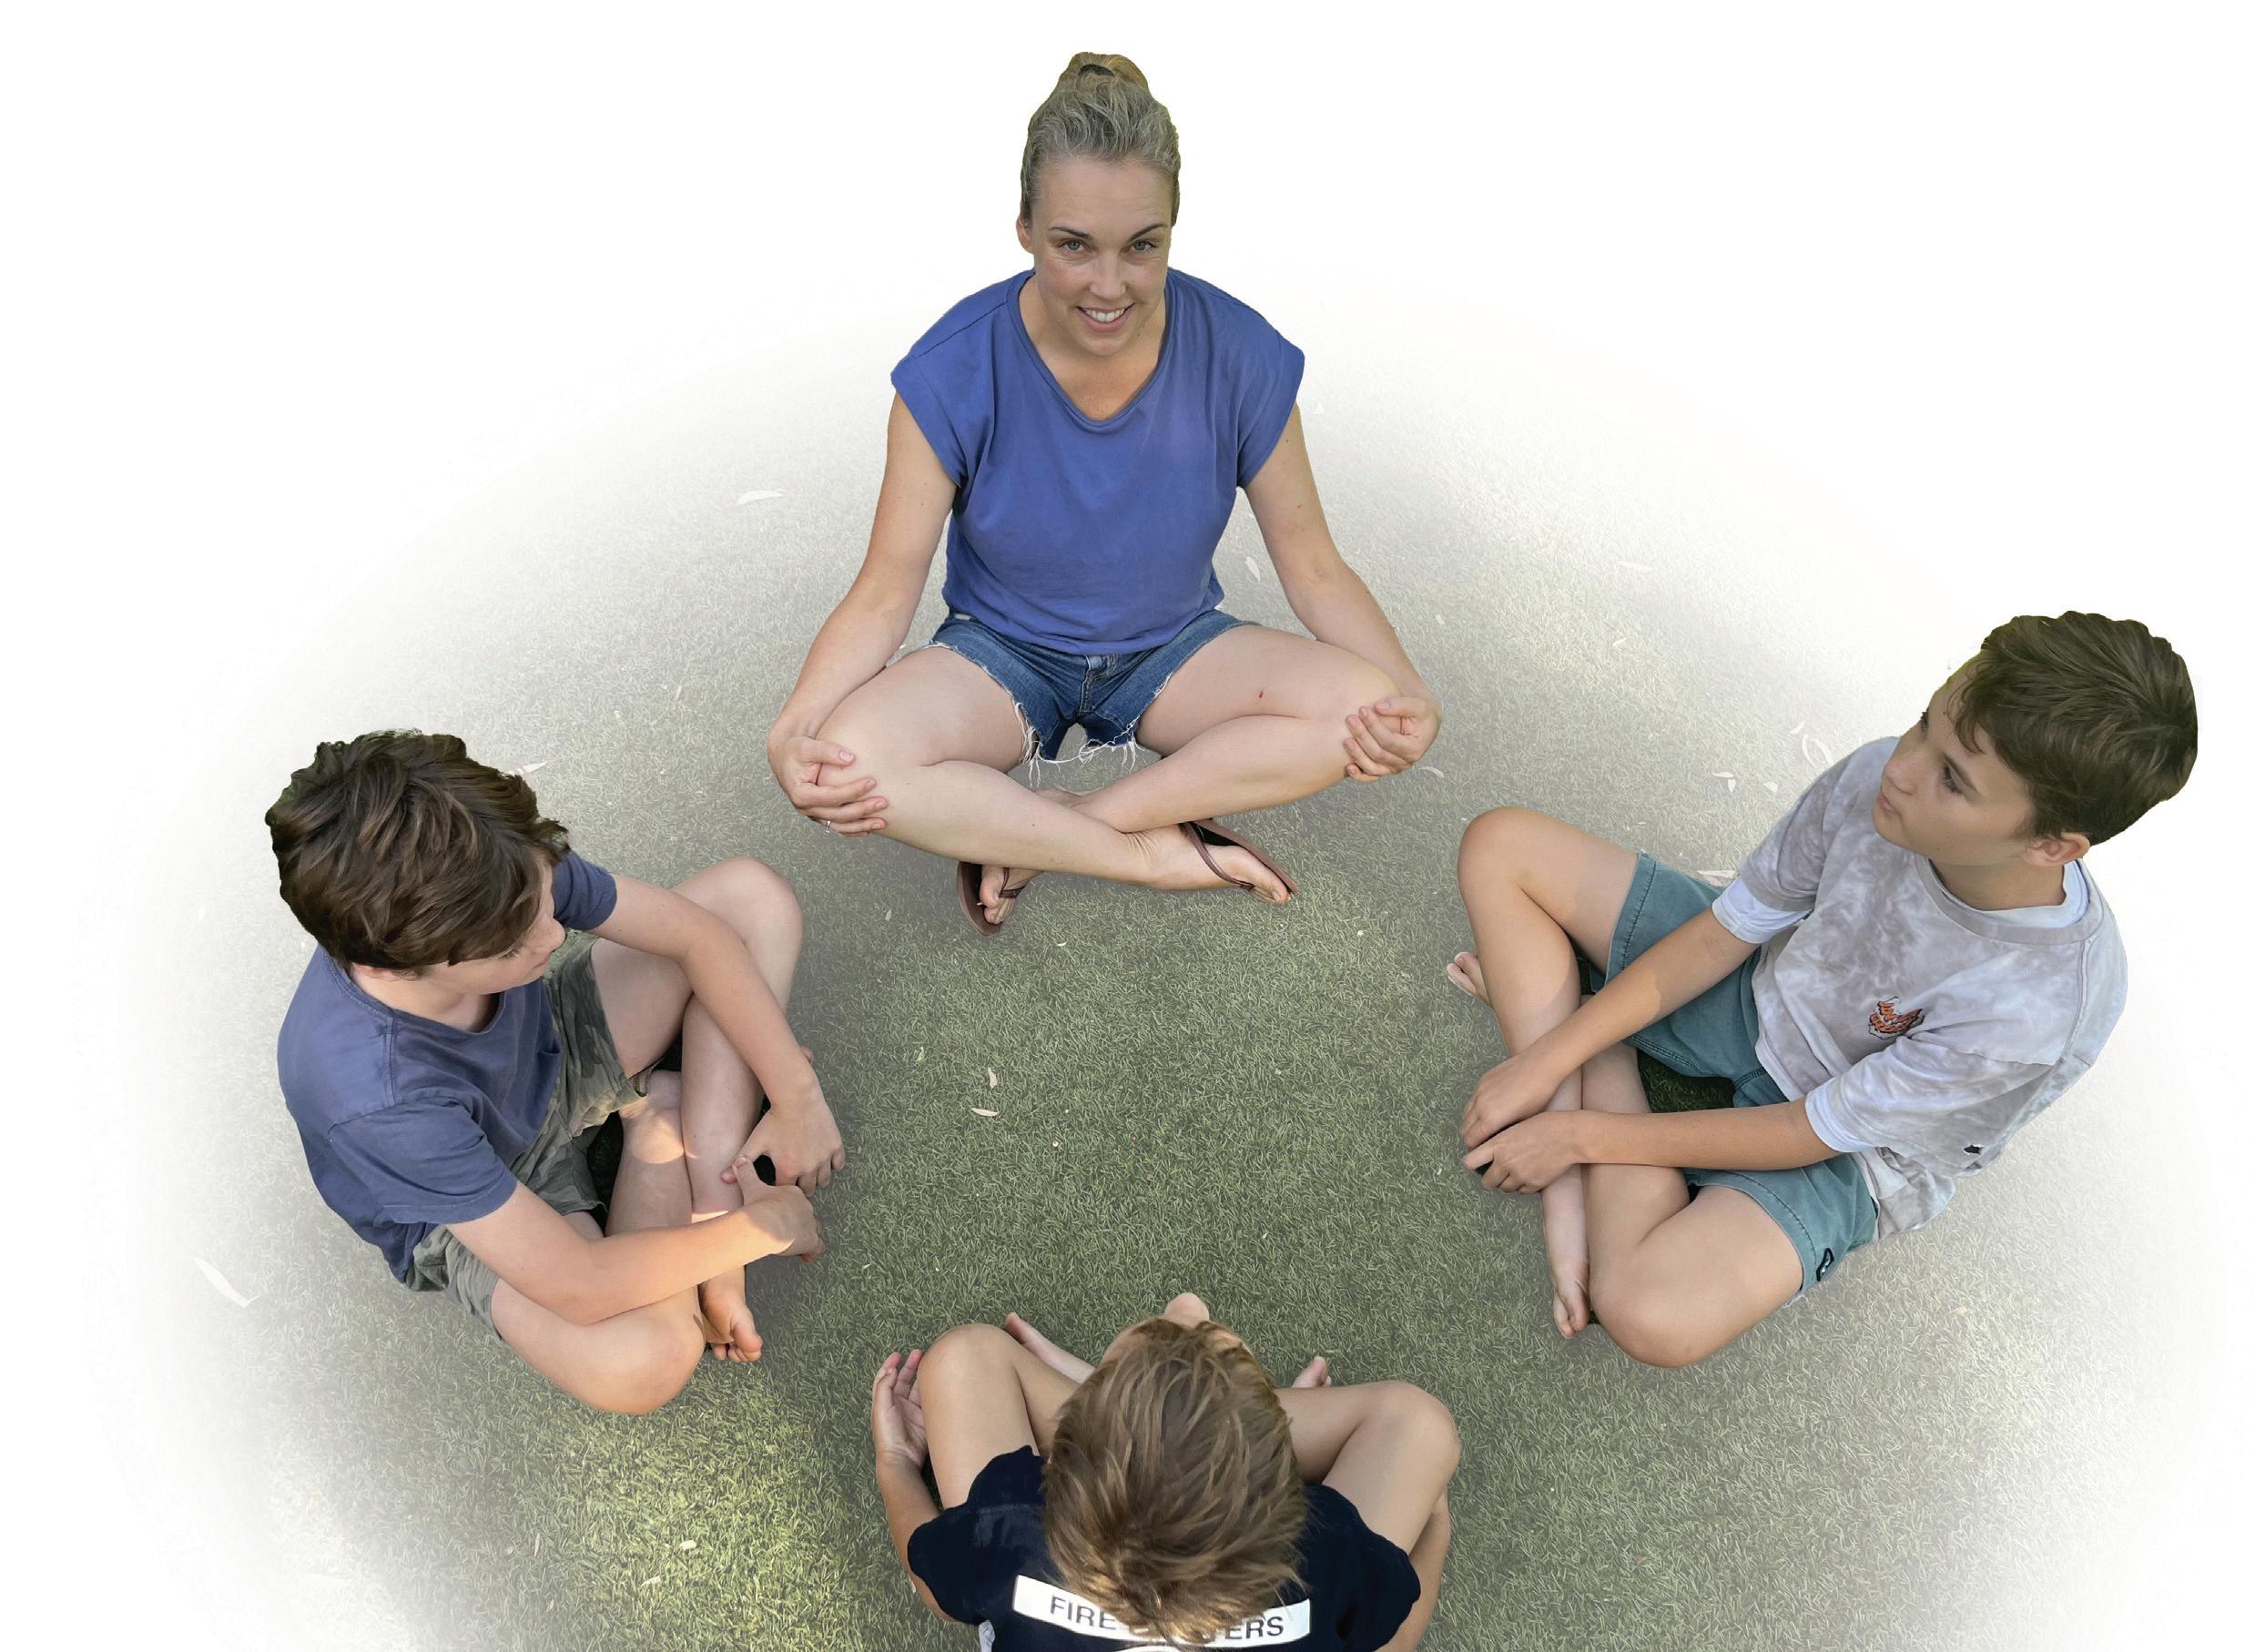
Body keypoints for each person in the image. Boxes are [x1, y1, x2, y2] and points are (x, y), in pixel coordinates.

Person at [767, 54, 1441, 935]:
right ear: (1023, 228)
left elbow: (1314, 568)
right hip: (1000, 652)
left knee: (1357, 706)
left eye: (1142, 246)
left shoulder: (1241, 353)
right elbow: (884, 591)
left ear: (1171, 232)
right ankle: (1147, 855)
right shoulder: (949, 368)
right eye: (1073, 245)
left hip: (1173, 649)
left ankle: (1064, 826)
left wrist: (1406, 692)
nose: (1108, 285)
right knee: (851, 759)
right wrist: (797, 726)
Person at [1449, 613, 2197, 1365]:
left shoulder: (2037, 1011)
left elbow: (1815, 1126)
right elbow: (1723, 933)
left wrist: (1579, 1133)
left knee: (1651, 1314)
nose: (1900, 768)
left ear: (2050, 846)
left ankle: (1604, 1057)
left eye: (1951, 779)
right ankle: (1580, 1097)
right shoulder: (1881, 781)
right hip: (1760, 993)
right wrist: (1547, 1063)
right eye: (1923, 724)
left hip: (1853, 1150)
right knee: (1502, 845)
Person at [268, 731, 839, 1412]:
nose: (554, 933)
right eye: (513, 941)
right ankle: (658, 1126)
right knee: (641, 1362)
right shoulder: (373, 1097)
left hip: (550, 1045)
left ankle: (704, 1181)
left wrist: (797, 1099)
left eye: (544, 895)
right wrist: (766, 1226)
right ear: (393, 968)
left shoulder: (489, 862)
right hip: (485, 1197)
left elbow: (698, 933)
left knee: (751, 898)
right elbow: (579, 1285)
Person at [871, 1293, 1458, 1650]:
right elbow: (1392, 1639)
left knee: (963, 1355)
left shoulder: (1008, 1534)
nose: (1188, 1303)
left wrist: (897, 1466)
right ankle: (1194, 1432)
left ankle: (1145, 1424)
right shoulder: (1325, 1569)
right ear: (1296, 1515)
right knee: (1423, 1426)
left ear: (1055, 1476)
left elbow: (937, 1587)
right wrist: (1436, 1526)